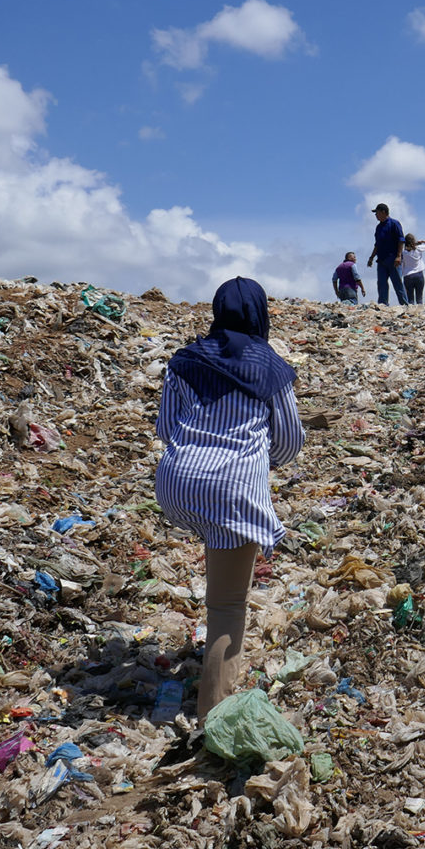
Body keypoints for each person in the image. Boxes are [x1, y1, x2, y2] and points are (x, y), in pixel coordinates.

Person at [155, 277, 304, 724]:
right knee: (226, 606)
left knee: (217, 540)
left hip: (177, 485)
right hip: (232, 488)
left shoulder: (185, 360)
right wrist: (261, 460)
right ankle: (214, 716)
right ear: (261, 315)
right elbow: (290, 442)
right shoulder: (270, 368)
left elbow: (166, 429)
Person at [366, 203, 407, 305]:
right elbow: (377, 244)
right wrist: (371, 257)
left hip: (393, 259)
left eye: (377, 213)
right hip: (382, 260)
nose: (376, 215)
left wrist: (398, 256)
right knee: (381, 284)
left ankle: (405, 305)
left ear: (383, 212)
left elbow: (401, 240)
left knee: (398, 284)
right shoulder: (379, 227)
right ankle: (383, 305)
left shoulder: (394, 223)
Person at [401, 234, 425, 304]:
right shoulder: (418, 248)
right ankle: (420, 313)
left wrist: (402, 275)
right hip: (419, 275)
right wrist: (423, 241)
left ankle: (411, 313)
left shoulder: (403, 252)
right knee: (419, 298)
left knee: (410, 299)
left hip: (408, 276)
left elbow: (402, 265)